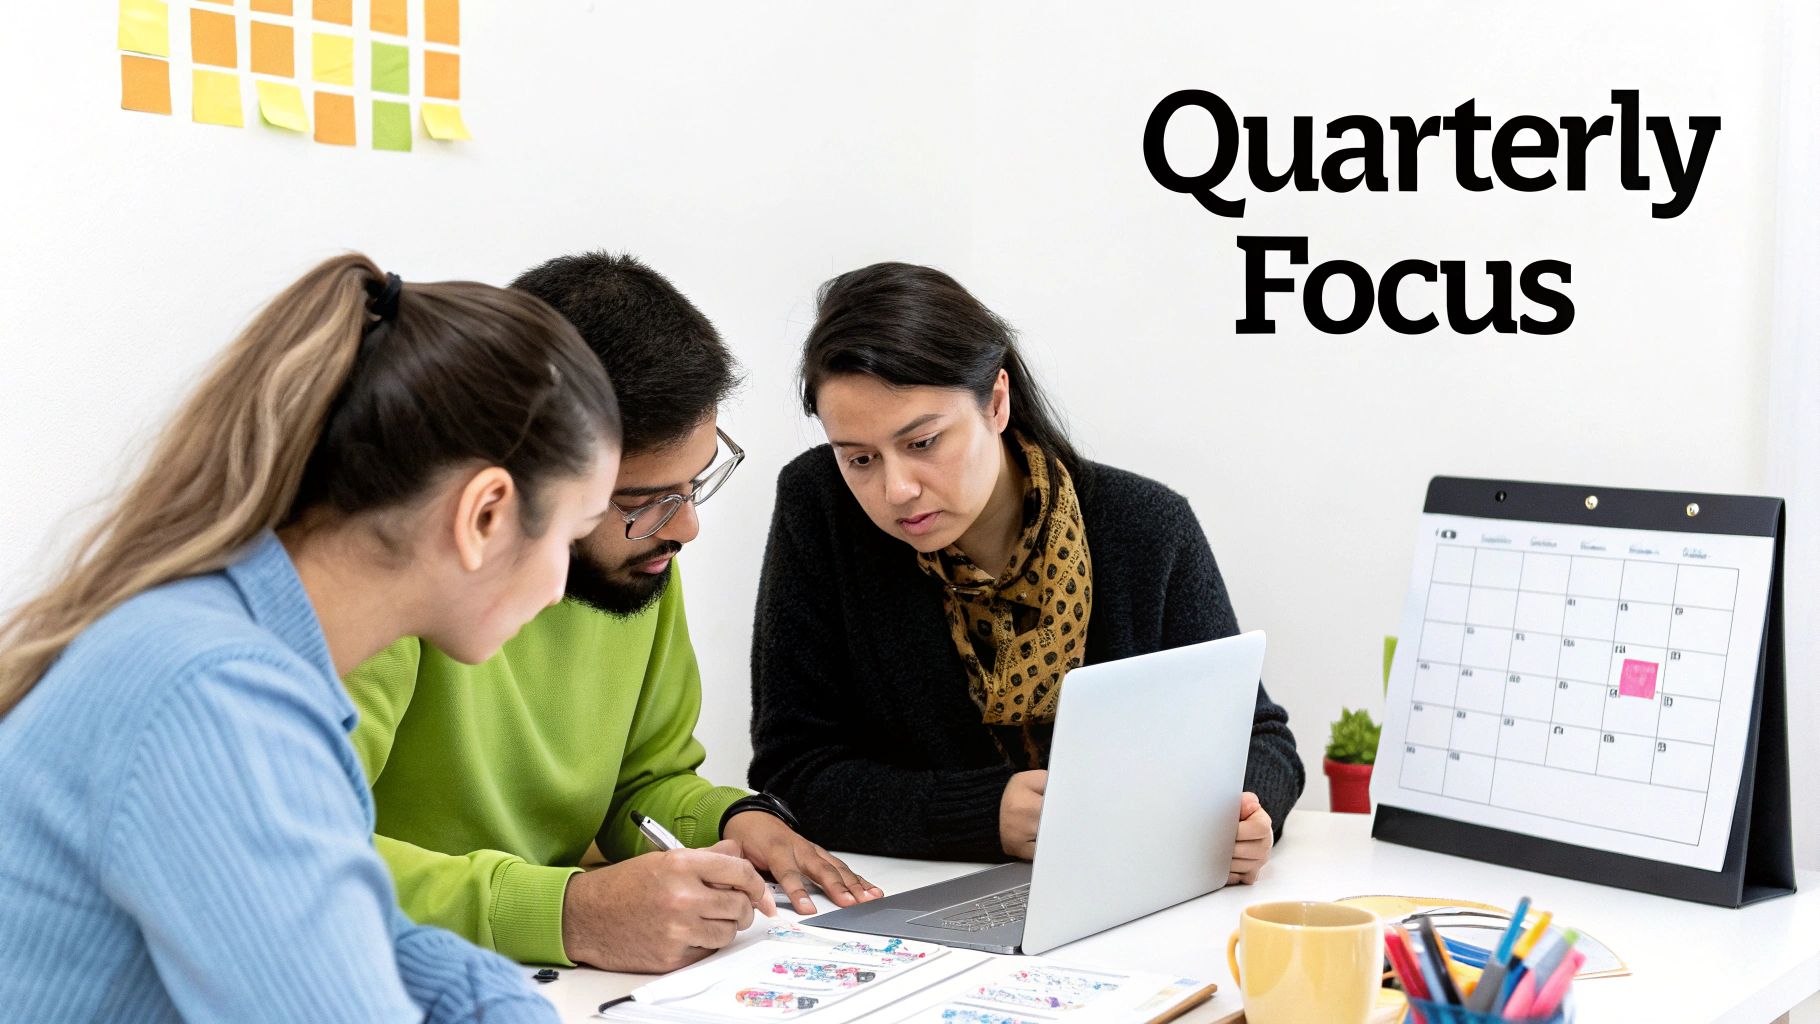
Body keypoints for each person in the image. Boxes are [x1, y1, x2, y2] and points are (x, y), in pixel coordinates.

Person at [0, 254, 624, 1022]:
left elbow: (384, 944)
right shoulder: (220, 697)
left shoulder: (241, 653)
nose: (563, 585)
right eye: (573, 533)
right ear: (485, 515)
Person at [343, 252, 880, 976]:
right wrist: (565, 912)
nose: (684, 526)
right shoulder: (386, 584)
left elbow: (641, 780)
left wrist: (730, 820)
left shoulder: (634, 559)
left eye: (695, 481)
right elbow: (296, 858)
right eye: (640, 500)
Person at [749, 262, 1304, 881]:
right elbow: (791, 771)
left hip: (1132, 895)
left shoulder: (1146, 528)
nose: (897, 488)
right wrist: (982, 814)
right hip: (924, 903)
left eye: (924, 442)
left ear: (996, 402)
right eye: (859, 458)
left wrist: (1250, 816)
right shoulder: (819, 508)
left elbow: (1259, 737)